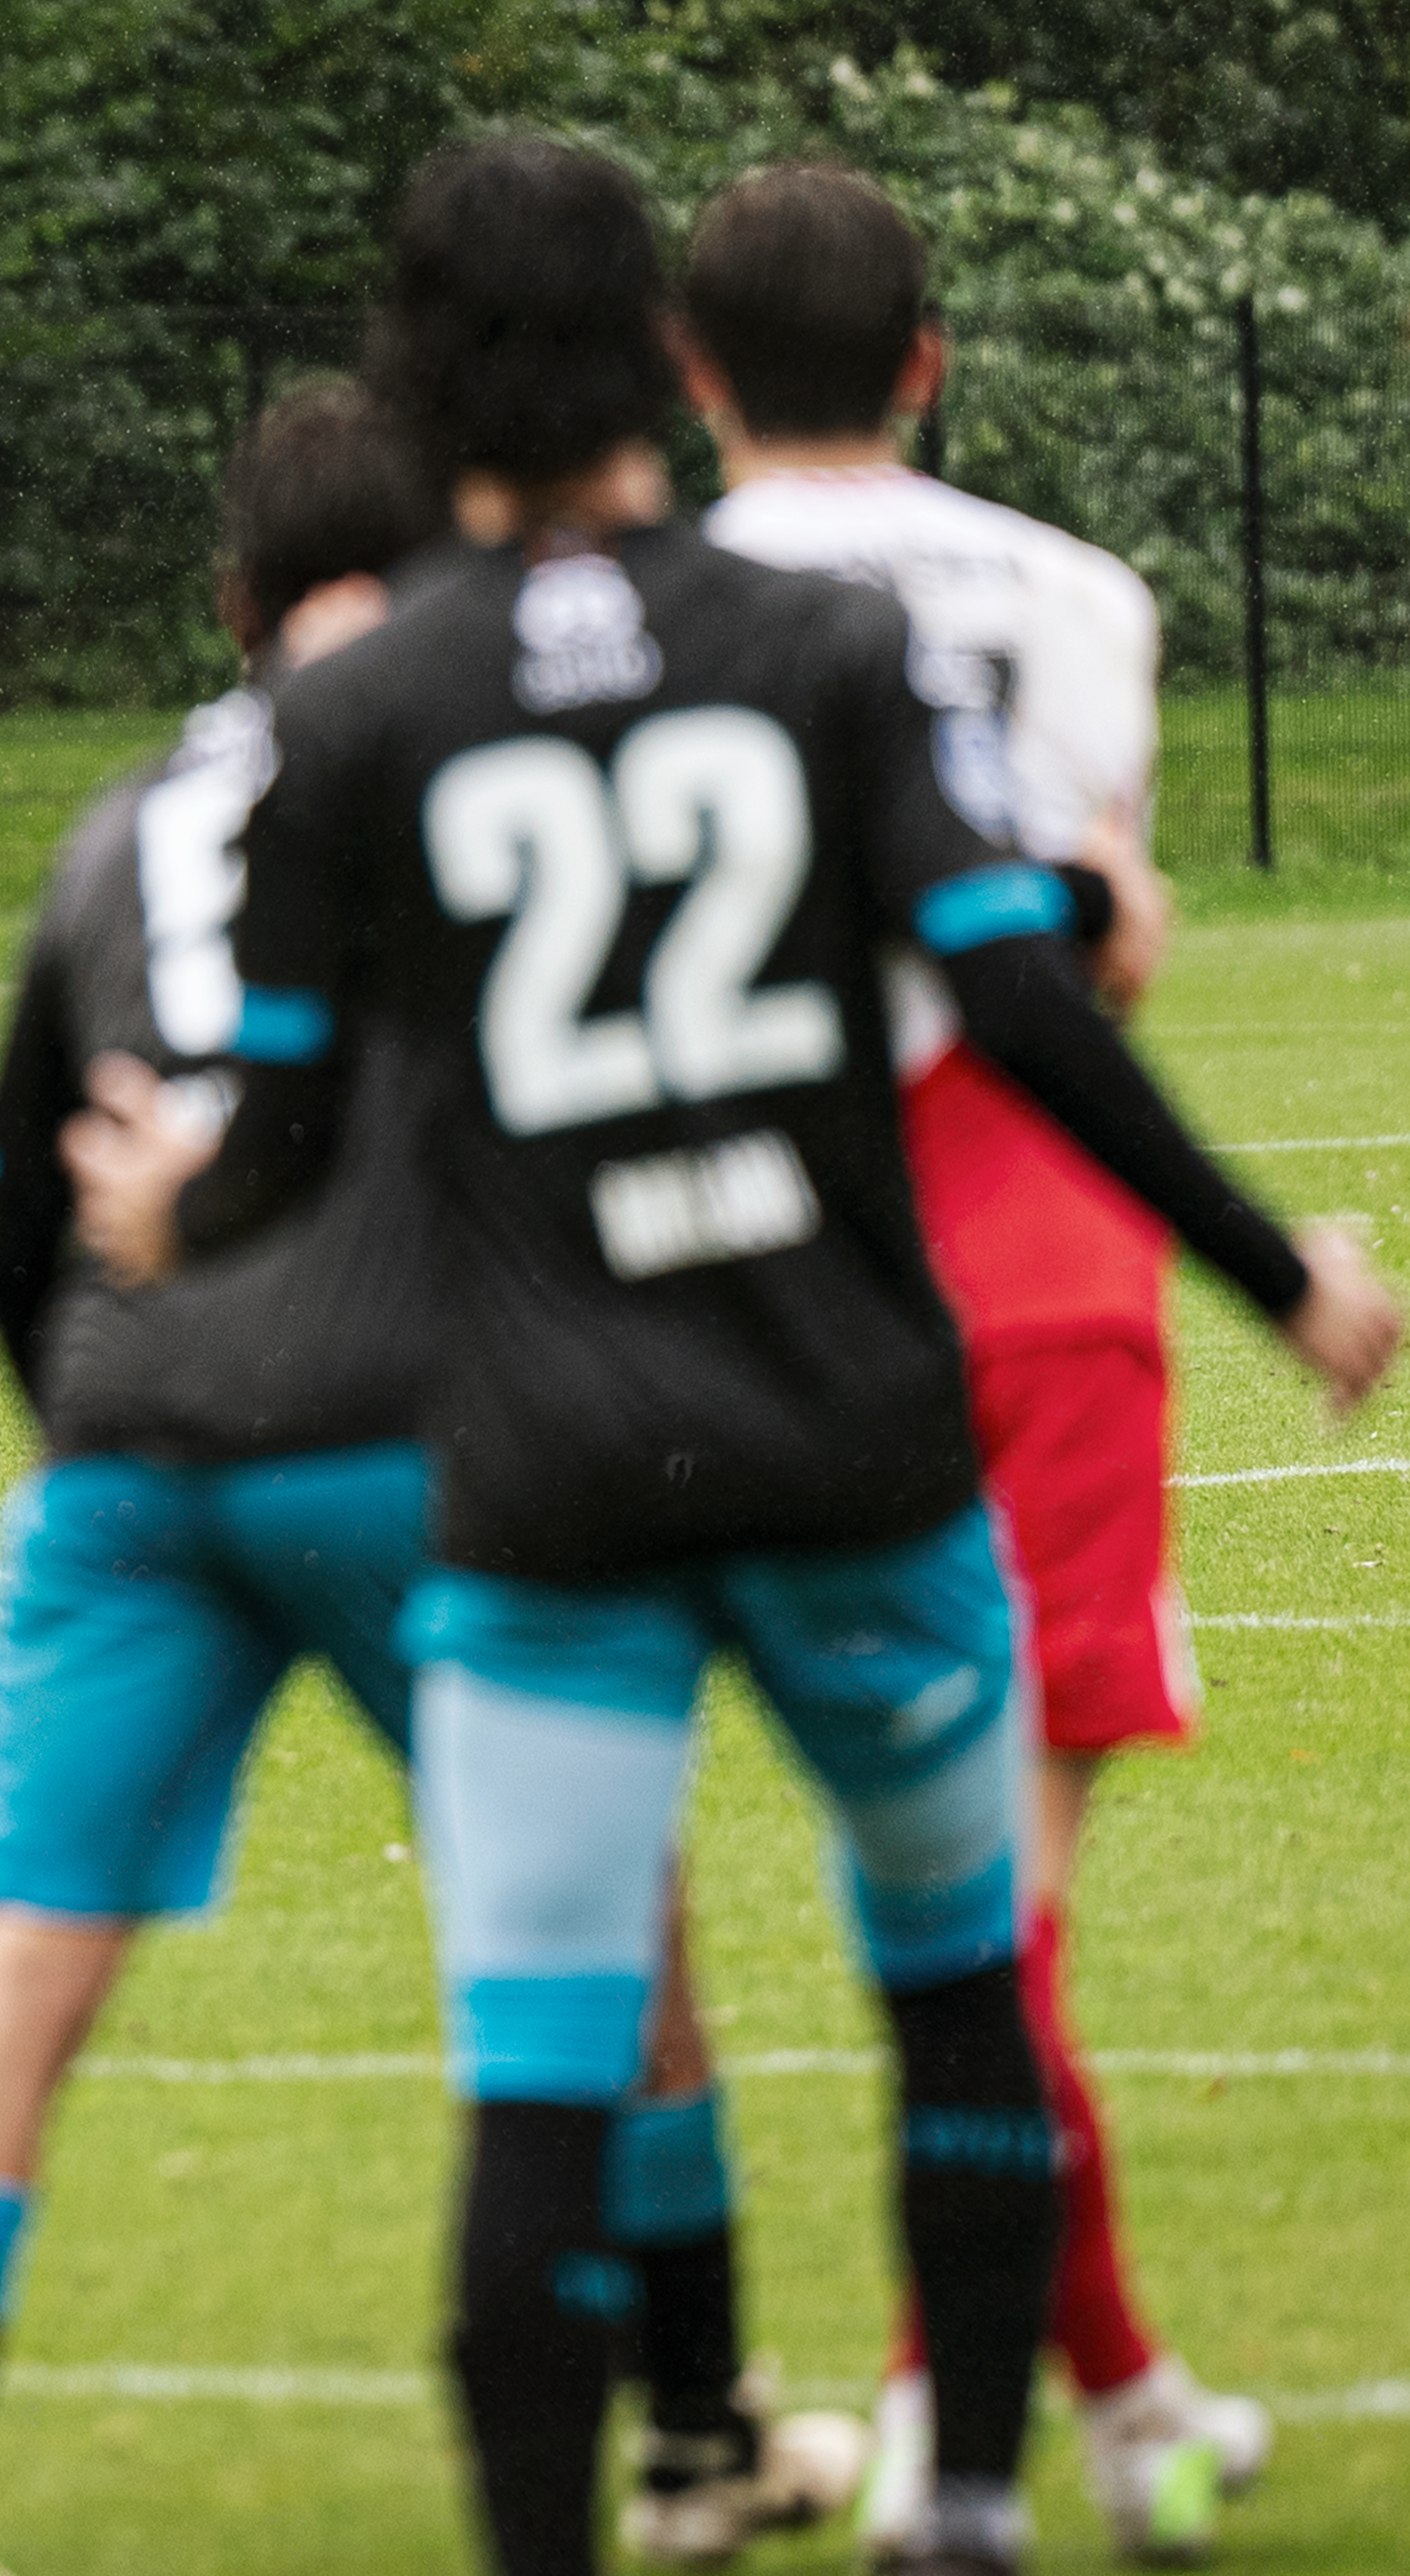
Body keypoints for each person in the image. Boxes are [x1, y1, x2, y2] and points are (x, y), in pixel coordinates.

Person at [61, 138, 1395, 2576]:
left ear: (411, 367)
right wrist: (1263, 1269)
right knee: (954, 1985)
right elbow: (1015, 990)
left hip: (548, 1468)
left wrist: (170, 1207)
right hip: (844, 1431)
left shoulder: (353, 709)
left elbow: (272, 1118)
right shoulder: (816, 648)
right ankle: (968, 2504)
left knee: (543, 2078)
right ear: (651, 367)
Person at [0, 383, 857, 2576]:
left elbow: (10, 1202)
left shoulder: (116, 821)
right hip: (397, 1442)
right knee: (611, 1921)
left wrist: (96, 1436)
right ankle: (689, 2435)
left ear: (223, 600)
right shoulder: (444, 768)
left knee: (16, 1970)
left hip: (120, 1448)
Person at [681, 160, 1276, 2565]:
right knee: (985, 1912)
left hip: (713, 1268)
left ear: (688, 376)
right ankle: (988, 2426)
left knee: (784, 1900)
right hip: (1019, 1261)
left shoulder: (604, 613)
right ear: (925, 359)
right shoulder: (1067, 596)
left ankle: (1101, 2398)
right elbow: (1075, 953)